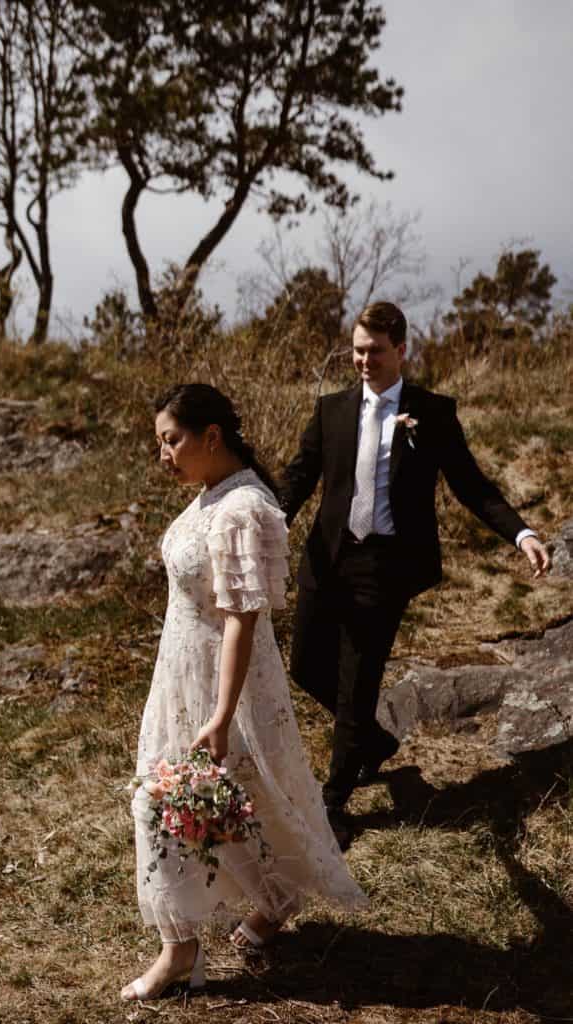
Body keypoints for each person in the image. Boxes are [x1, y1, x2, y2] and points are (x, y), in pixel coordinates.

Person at [121, 383, 368, 1003]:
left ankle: (180, 951)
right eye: (159, 442)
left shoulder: (242, 509)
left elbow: (243, 617)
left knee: (169, 799)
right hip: (181, 669)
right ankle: (272, 902)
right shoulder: (213, 494)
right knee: (240, 798)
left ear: (211, 436)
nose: (164, 455)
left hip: (220, 679)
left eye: (171, 440)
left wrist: (223, 713)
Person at [280, 301, 550, 845]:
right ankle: (372, 742)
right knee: (307, 665)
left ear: (402, 350)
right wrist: (259, 522)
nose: (363, 360)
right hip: (326, 559)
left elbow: (472, 486)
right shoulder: (330, 410)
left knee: (358, 681)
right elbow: (298, 478)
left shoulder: (433, 413)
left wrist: (522, 534)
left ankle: (334, 803)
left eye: (375, 350)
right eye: (356, 349)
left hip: (384, 566)